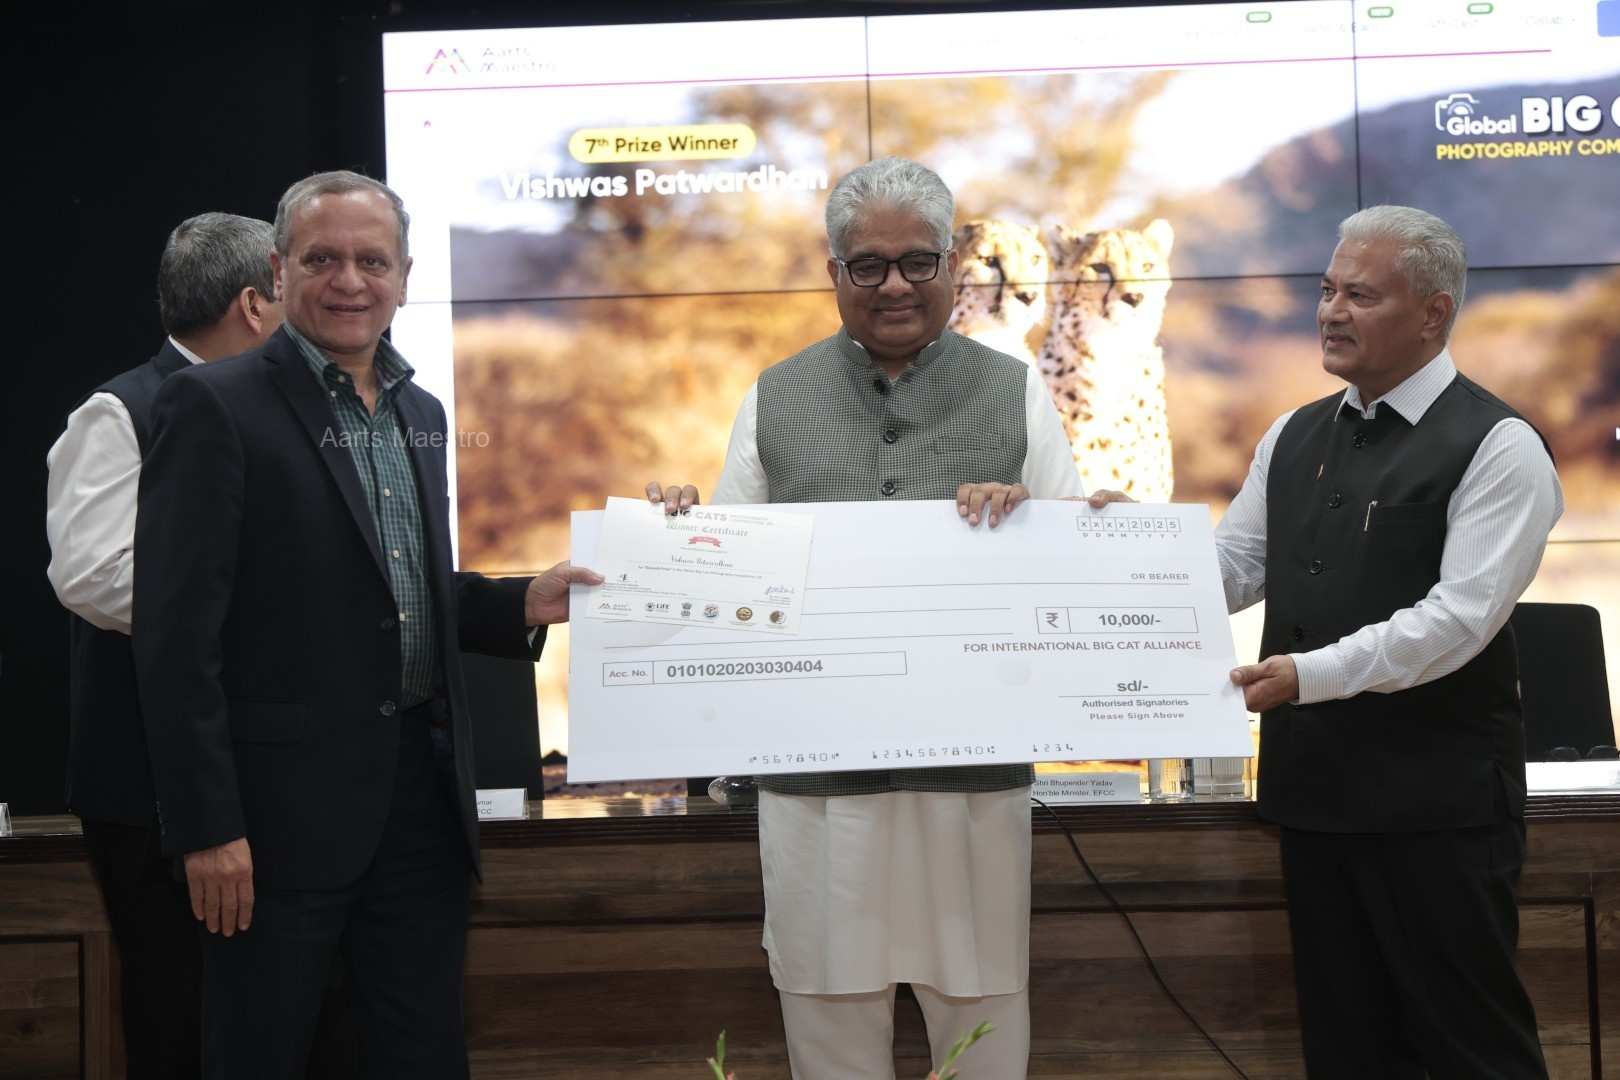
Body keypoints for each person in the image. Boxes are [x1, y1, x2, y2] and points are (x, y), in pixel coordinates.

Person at [131, 171, 602, 1080]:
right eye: (323, 259)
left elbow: (395, 594)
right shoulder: (213, 406)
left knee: (422, 1056)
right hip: (271, 832)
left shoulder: (420, 414)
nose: (350, 279)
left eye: (371, 260)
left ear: (406, 275)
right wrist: (206, 828)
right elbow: (174, 640)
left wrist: (519, 602)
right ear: (277, 270)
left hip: (421, 813)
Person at [650, 156, 1088, 1080]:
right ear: (834, 274)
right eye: (868, 265)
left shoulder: (1016, 392)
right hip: (817, 798)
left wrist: (1034, 526)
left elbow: (1079, 578)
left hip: (970, 793)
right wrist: (681, 536)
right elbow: (727, 585)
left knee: (984, 1040)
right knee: (830, 1039)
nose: (894, 284)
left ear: (952, 270)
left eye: (918, 262)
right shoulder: (775, 394)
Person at [1217, 205, 1560, 1078]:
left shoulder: (1501, 446)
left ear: (1434, 311)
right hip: (1315, 797)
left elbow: (1458, 622)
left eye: (1359, 295)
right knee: (1348, 1051)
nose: (1330, 312)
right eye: (1327, 291)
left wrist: (1307, 676)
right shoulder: (1291, 434)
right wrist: (1111, 550)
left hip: (1437, 808)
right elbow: (1232, 568)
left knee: (1468, 1047)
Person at [45, 212, 283, 1078]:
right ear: (257, 304)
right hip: (143, 781)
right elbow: (92, 574)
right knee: (178, 1013)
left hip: (253, 768)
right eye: (302, 277)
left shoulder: (288, 408)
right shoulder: (121, 409)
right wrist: (267, 609)